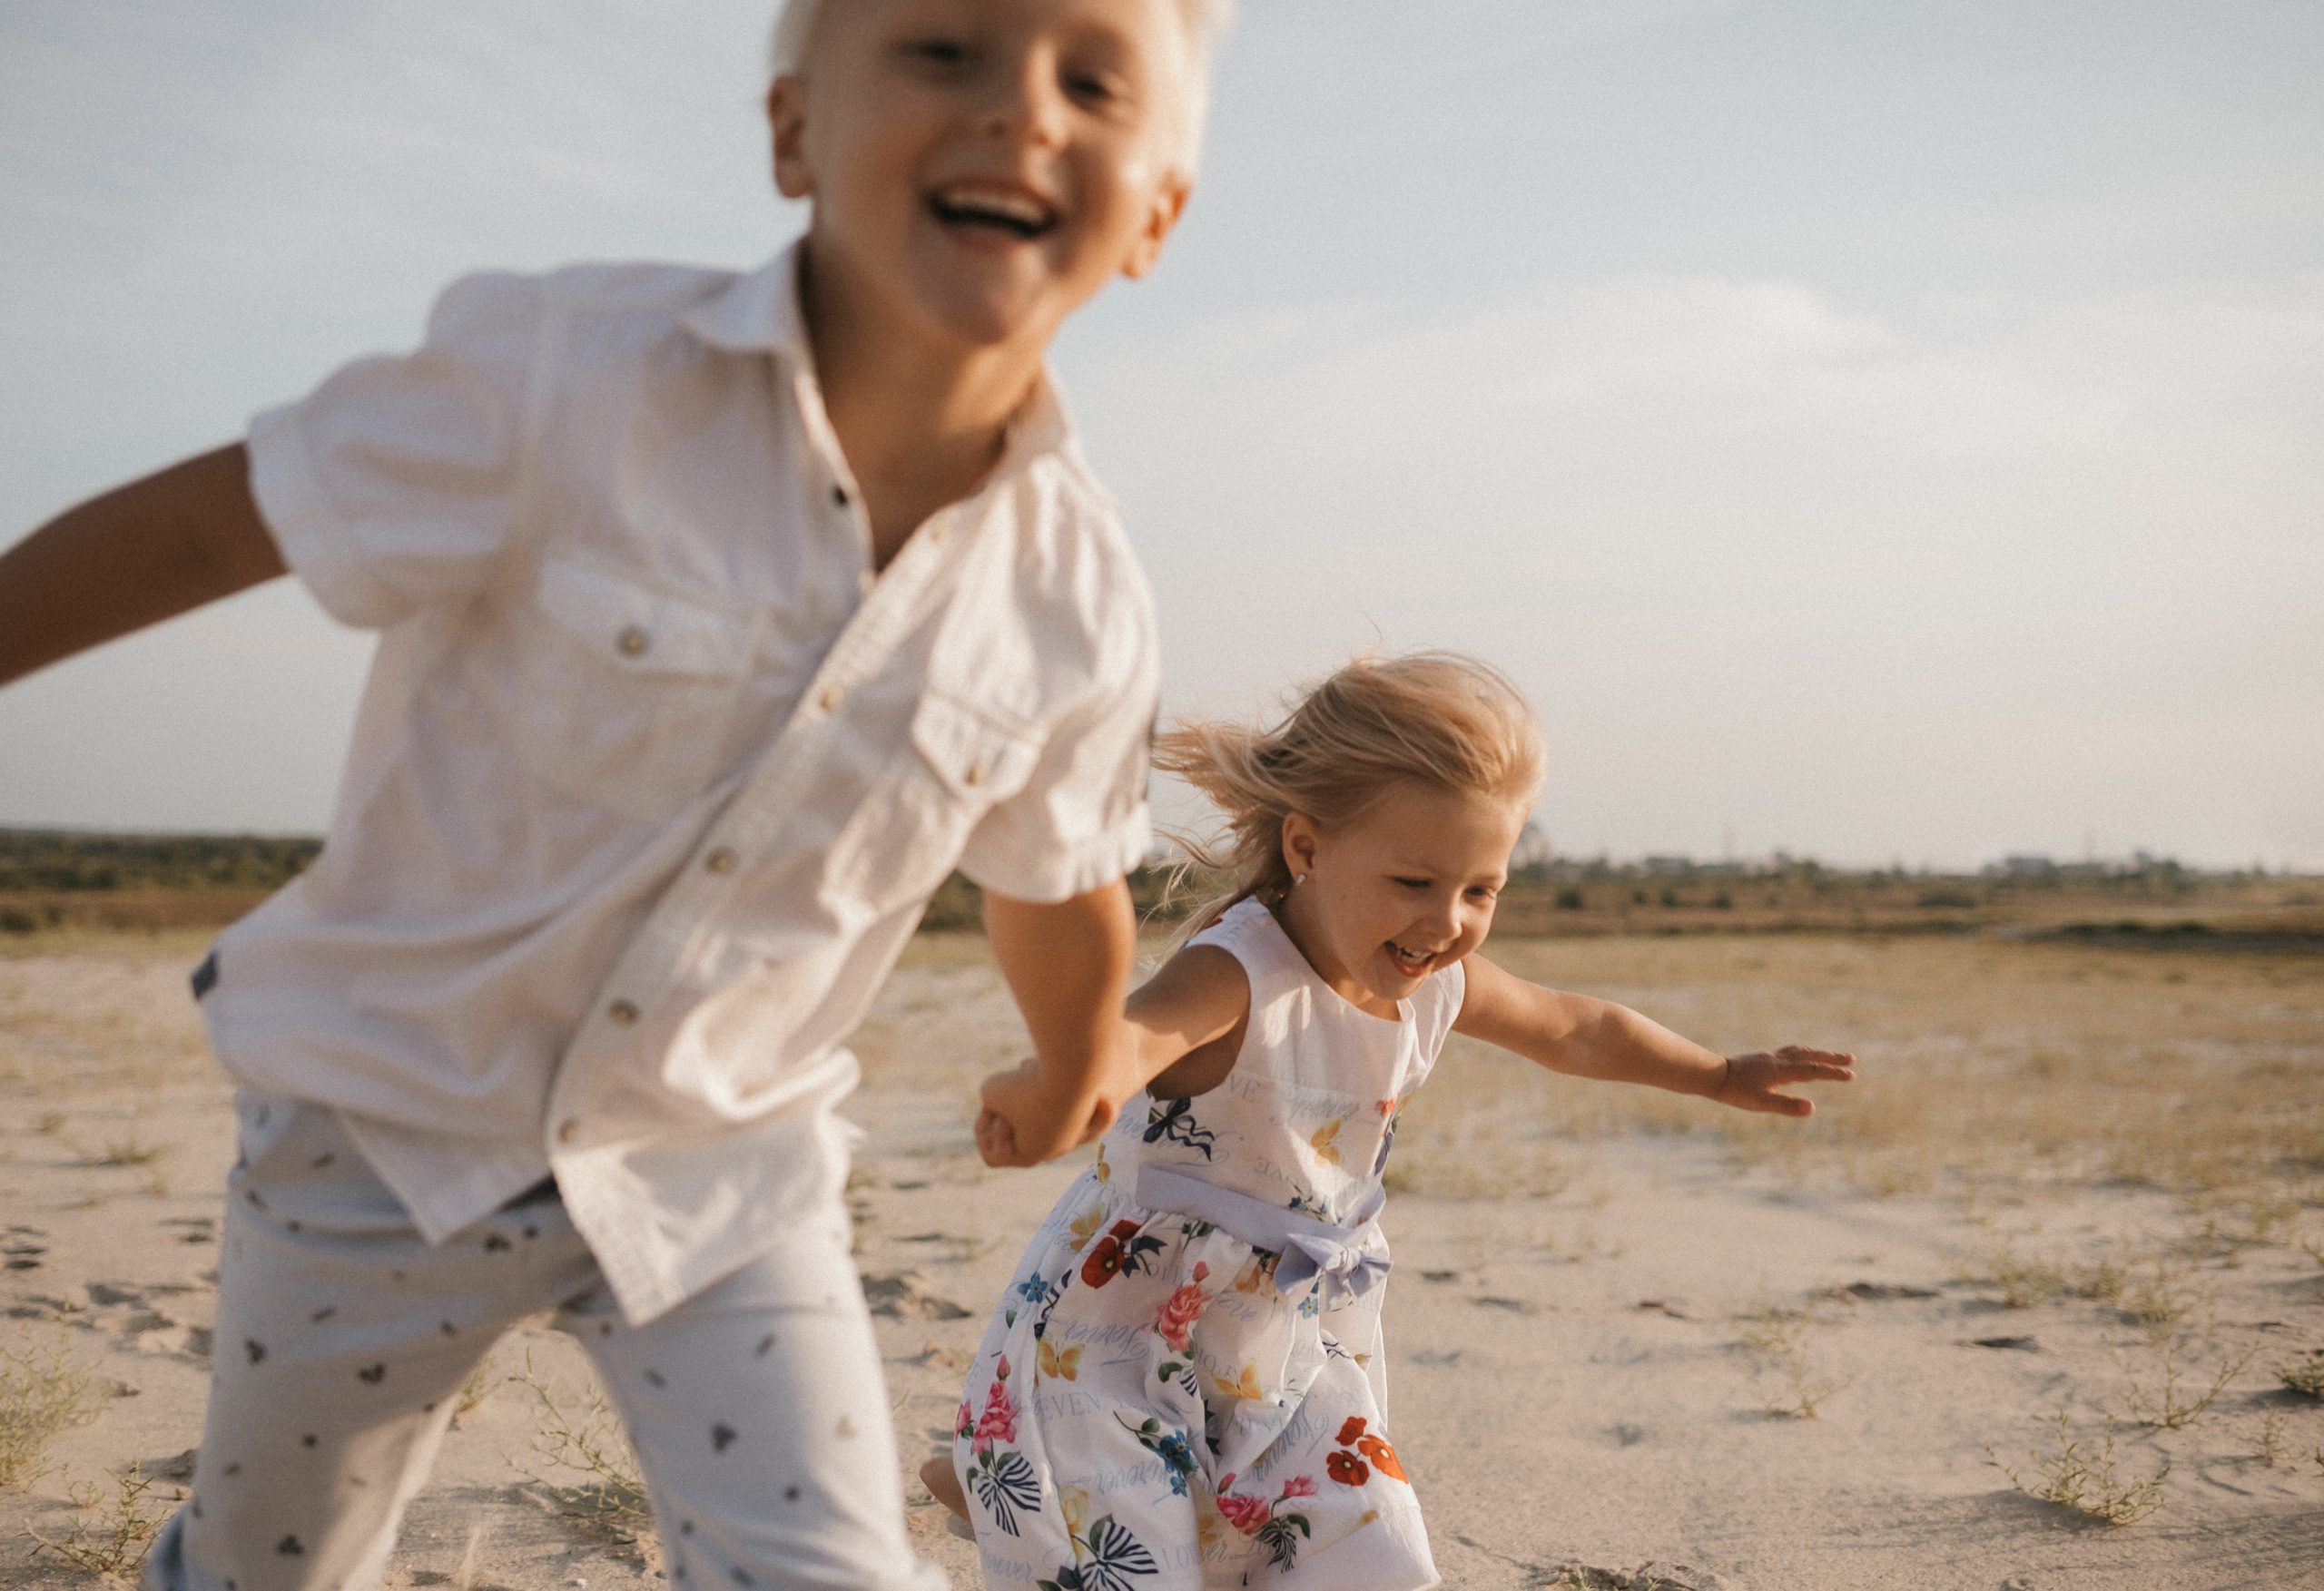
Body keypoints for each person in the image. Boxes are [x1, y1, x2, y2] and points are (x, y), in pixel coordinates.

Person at [0, 1, 1237, 1586]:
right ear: (793, 127)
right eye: (944, 49)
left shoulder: (1076, 596)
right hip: (386, 1130)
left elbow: (1056, 875)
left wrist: (1079, 1061)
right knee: (269, 1561)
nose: (1023, 112)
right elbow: (211, 526)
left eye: (1091, 77)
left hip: (721, 1175)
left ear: (1157, 215)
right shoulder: (566, 377)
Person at [922, 653, 1856, 1586]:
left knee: (1369, 1546)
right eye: (1413, 882)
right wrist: (1058, 1094)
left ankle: (1007, 1485)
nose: (1447, 920)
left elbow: (1576, 1028)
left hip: (1281, 1338)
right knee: (1124, 1556)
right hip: (1122, 1332)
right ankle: (1017, 1480)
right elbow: (1132, 1040)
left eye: (1481, 889)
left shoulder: (1435, 987)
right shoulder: (1240, 970)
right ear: (1306, 847)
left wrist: (1720, 1072)